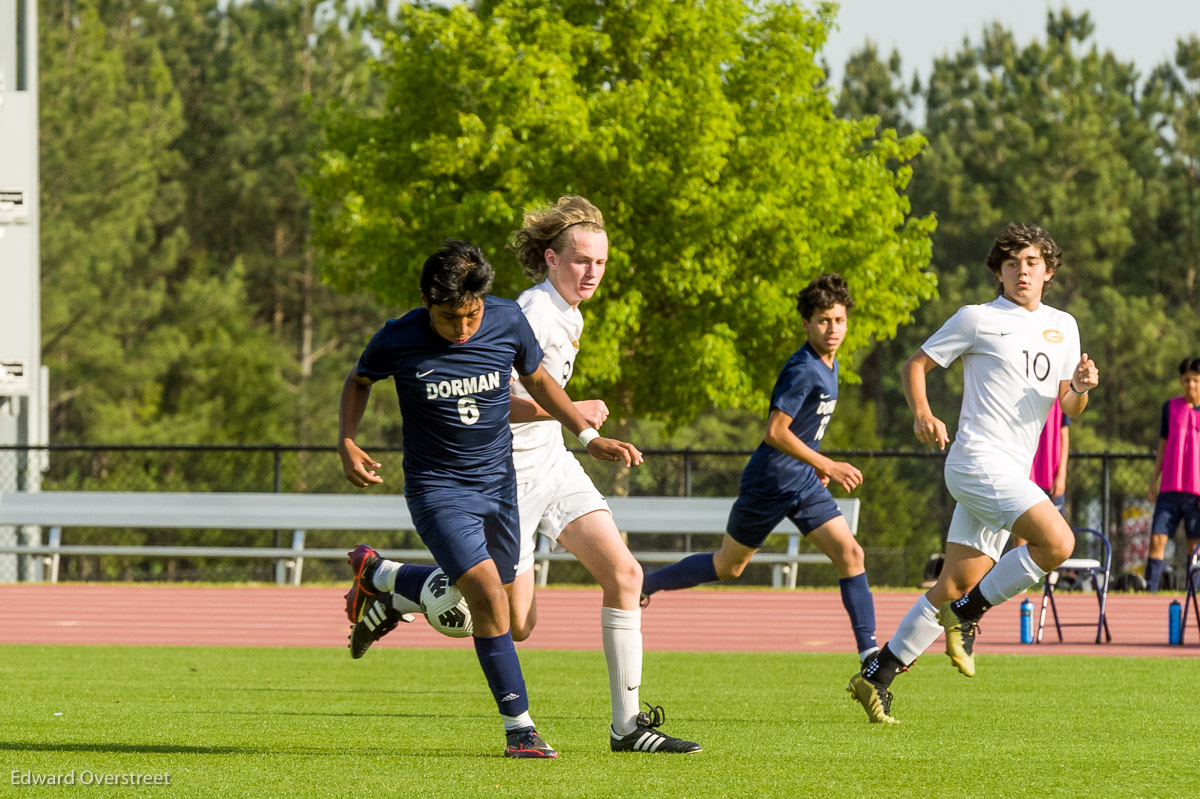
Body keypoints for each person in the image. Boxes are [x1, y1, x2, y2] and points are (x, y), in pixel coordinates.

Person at [351, 197, 700, 754]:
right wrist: (578, 411)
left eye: (601, 263)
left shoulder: (567, 312)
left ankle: (628, 727)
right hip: (505, 470)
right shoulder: (530, 311)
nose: (592, 273)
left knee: (625, 576)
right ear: (551, 259)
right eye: (582, 260)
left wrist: (582, 436)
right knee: (512, 622)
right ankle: (394, 583)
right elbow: (499, 402)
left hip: (554, 462)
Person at [848, 222, 1099, 724]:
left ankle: (877, 674)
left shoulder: (1064, 325)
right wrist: (923, 413)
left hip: (1010, 471)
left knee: (955, 582)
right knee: (1058, 544)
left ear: (1048, 271)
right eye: (1011, 264)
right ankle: (967, 618)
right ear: (999, 273)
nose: (1020, 272)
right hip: (977, 462)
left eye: (1030, 263)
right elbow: (914, 365)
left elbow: (1069, 405)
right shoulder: (978, 318)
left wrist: (1084, 385)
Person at [640, 273, 878, 663]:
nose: (832, 328)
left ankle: (869, 653)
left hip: (800, 479)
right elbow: (774, 432)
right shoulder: (803, 367)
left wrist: (812, 464)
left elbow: (803, 429)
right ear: (806, 324)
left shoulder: (830, 364)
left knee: (851, 553)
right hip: (770, 481)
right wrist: (827, 464)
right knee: (729, 566)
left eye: (838, 320)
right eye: (823, 320)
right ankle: (645, 584)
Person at [1143, 357, 1200, 593]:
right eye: (1187, 380)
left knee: (1193, 547)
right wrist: (1153, 480)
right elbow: (1163, 445)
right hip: (1169, 489)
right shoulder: (1170, 408)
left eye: (1196, 380)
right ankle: (1150, 593)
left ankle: (1193, 597)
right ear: (1180, 381)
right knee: (1157, 540)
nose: (1191, 385)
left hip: (1195, 492)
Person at [1010, 397, 1071, 549]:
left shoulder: (1061, 392)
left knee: (1055, 539)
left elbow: (1064, 433)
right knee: (1021, 537)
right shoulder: (1020, 390)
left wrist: (1061, 475)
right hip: (1024, 475)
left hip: (1051, 478)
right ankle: (1020, 573)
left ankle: (1049, 574)